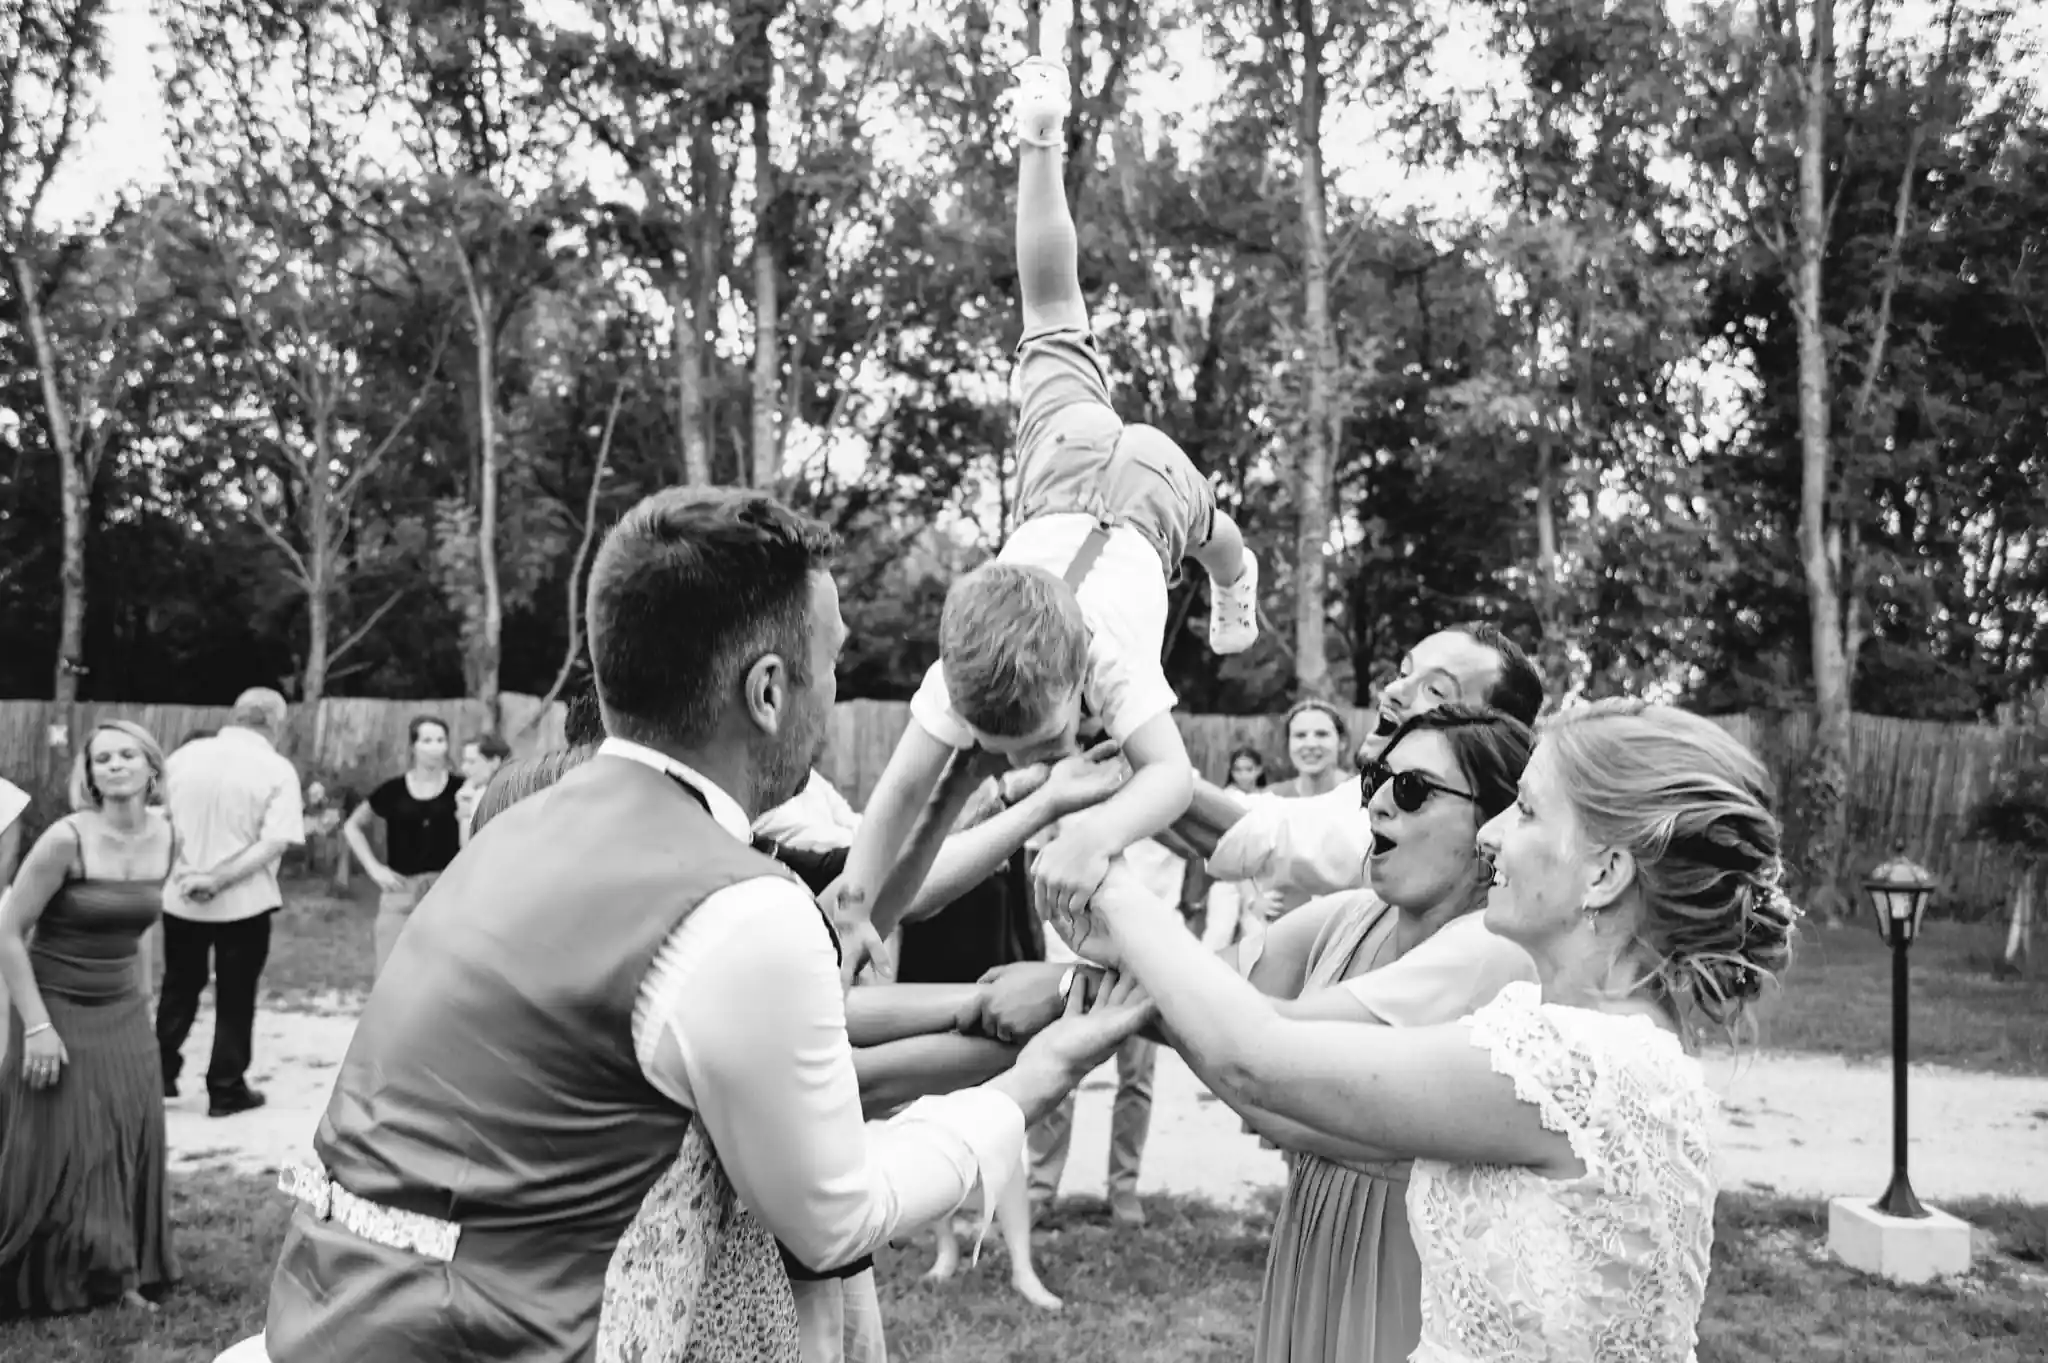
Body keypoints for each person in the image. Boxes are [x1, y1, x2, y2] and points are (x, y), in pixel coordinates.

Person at [235, 487, 1152, 1363]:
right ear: (766, 692)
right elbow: (834, 1214)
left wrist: (983, 1014)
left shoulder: (517, 834)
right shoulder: (738, 905)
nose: (836, 687)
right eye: (831, 661)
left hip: (330, 1319)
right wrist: (1039, 1075)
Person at [1084, 699, 1798, 1361]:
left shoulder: (1573, 1066)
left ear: (1605, 872)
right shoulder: (1599, 1044)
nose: (1491, 832)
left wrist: (1108, 876)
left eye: (1524, 810)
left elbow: (1258, 1060)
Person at [833, 50, 1261, 975]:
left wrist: (1097, 830)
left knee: (1218, 539)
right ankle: (1037, 139)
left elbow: (1171, 776)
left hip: (1147, 502)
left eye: (1041, 739)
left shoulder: (1103, 656)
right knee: (1050, 304)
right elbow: (911, 791)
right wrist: (860, 903)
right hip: (1072, 471)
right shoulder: (967, 677)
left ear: (1075, 680)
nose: (1042, 752)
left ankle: (1238, 584)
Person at [1226, 706, 1537, 1363]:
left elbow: (1255, 1048)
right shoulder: (1351, 915)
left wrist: (1119, 913)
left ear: (1495, 821)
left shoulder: (1493, 950)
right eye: (1376, 780)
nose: (1378, 806)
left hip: (1405, 1263)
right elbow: (1212, 993)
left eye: (1414, 788)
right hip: (1315, 1232)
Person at [0, 721, 179, 1316]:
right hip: (56, 1006)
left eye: (127, 755)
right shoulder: (65, 838)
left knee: (127, 1135)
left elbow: (143, 930)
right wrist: (35, 1026)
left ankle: (119, 1271)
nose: (115, 766)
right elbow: (7, 929)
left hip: (124, 1008)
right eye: (103, 758)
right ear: (90, 772)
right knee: (67, 1144)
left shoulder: (165, 835)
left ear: (151, 768)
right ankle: (56, 1270)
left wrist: (146, 1002)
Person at [1181, 625, 1546, 907]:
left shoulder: (1444, 840)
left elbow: (1266, 839)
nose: (1393, 691)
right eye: (1404, 673)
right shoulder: (1369, 793)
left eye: (1435, 691)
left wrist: (1156, 771)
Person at [1025, 832, 1187, 1230]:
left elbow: (1201, 856)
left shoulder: (1171, 783)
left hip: (1148, 954)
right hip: (1071, 949)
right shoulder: (1072, 776)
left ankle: (1124, 1188)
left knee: (1137, 1081)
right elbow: (1035, 857)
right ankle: (1039, 1189)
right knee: (1055, 1074)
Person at [158, 687, 305, 1117]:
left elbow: (158, 818)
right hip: (244, 901)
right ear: (276, 722)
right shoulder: (276, 769)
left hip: (182, 895)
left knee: (179, 985)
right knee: (236, 994)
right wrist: (220, 879)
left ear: (235, 714)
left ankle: (159, 1072)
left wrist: (190, 872)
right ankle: (225, 1088)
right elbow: (275, 840)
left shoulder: (182, 758)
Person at [342, 715, 463, 976]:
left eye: (440, 740)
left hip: (446, 891)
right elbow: (352, 826)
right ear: (413, 747)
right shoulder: (393, 790)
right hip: (401, 891)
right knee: (390, 973)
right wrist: (374, 868)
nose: (435, 747)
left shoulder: (462, 789)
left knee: (441, 977)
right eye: (427, 740)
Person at [455, 731, 511, 845]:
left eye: (471, 762)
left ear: (494, 762)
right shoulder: (475, 793)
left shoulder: (508, 796)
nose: (464, 768)